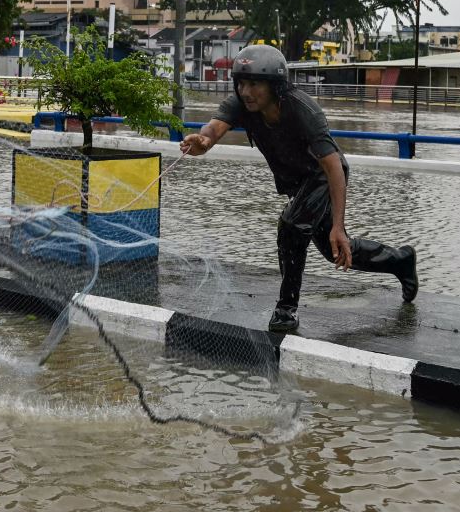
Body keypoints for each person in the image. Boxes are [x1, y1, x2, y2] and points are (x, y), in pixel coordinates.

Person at [179, 44, 417, 333]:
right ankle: (401, 261)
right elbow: (213, 129)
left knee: (292, 227)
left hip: (322, 177)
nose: (246, 91)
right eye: (241, 82)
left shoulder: (303, 110)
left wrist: (338, 226)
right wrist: (203, 143)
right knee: (335, 253)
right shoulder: (241, 104)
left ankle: (286, 309)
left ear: (275, 85)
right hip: (298, 185)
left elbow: (333, 167)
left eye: (255, 84)